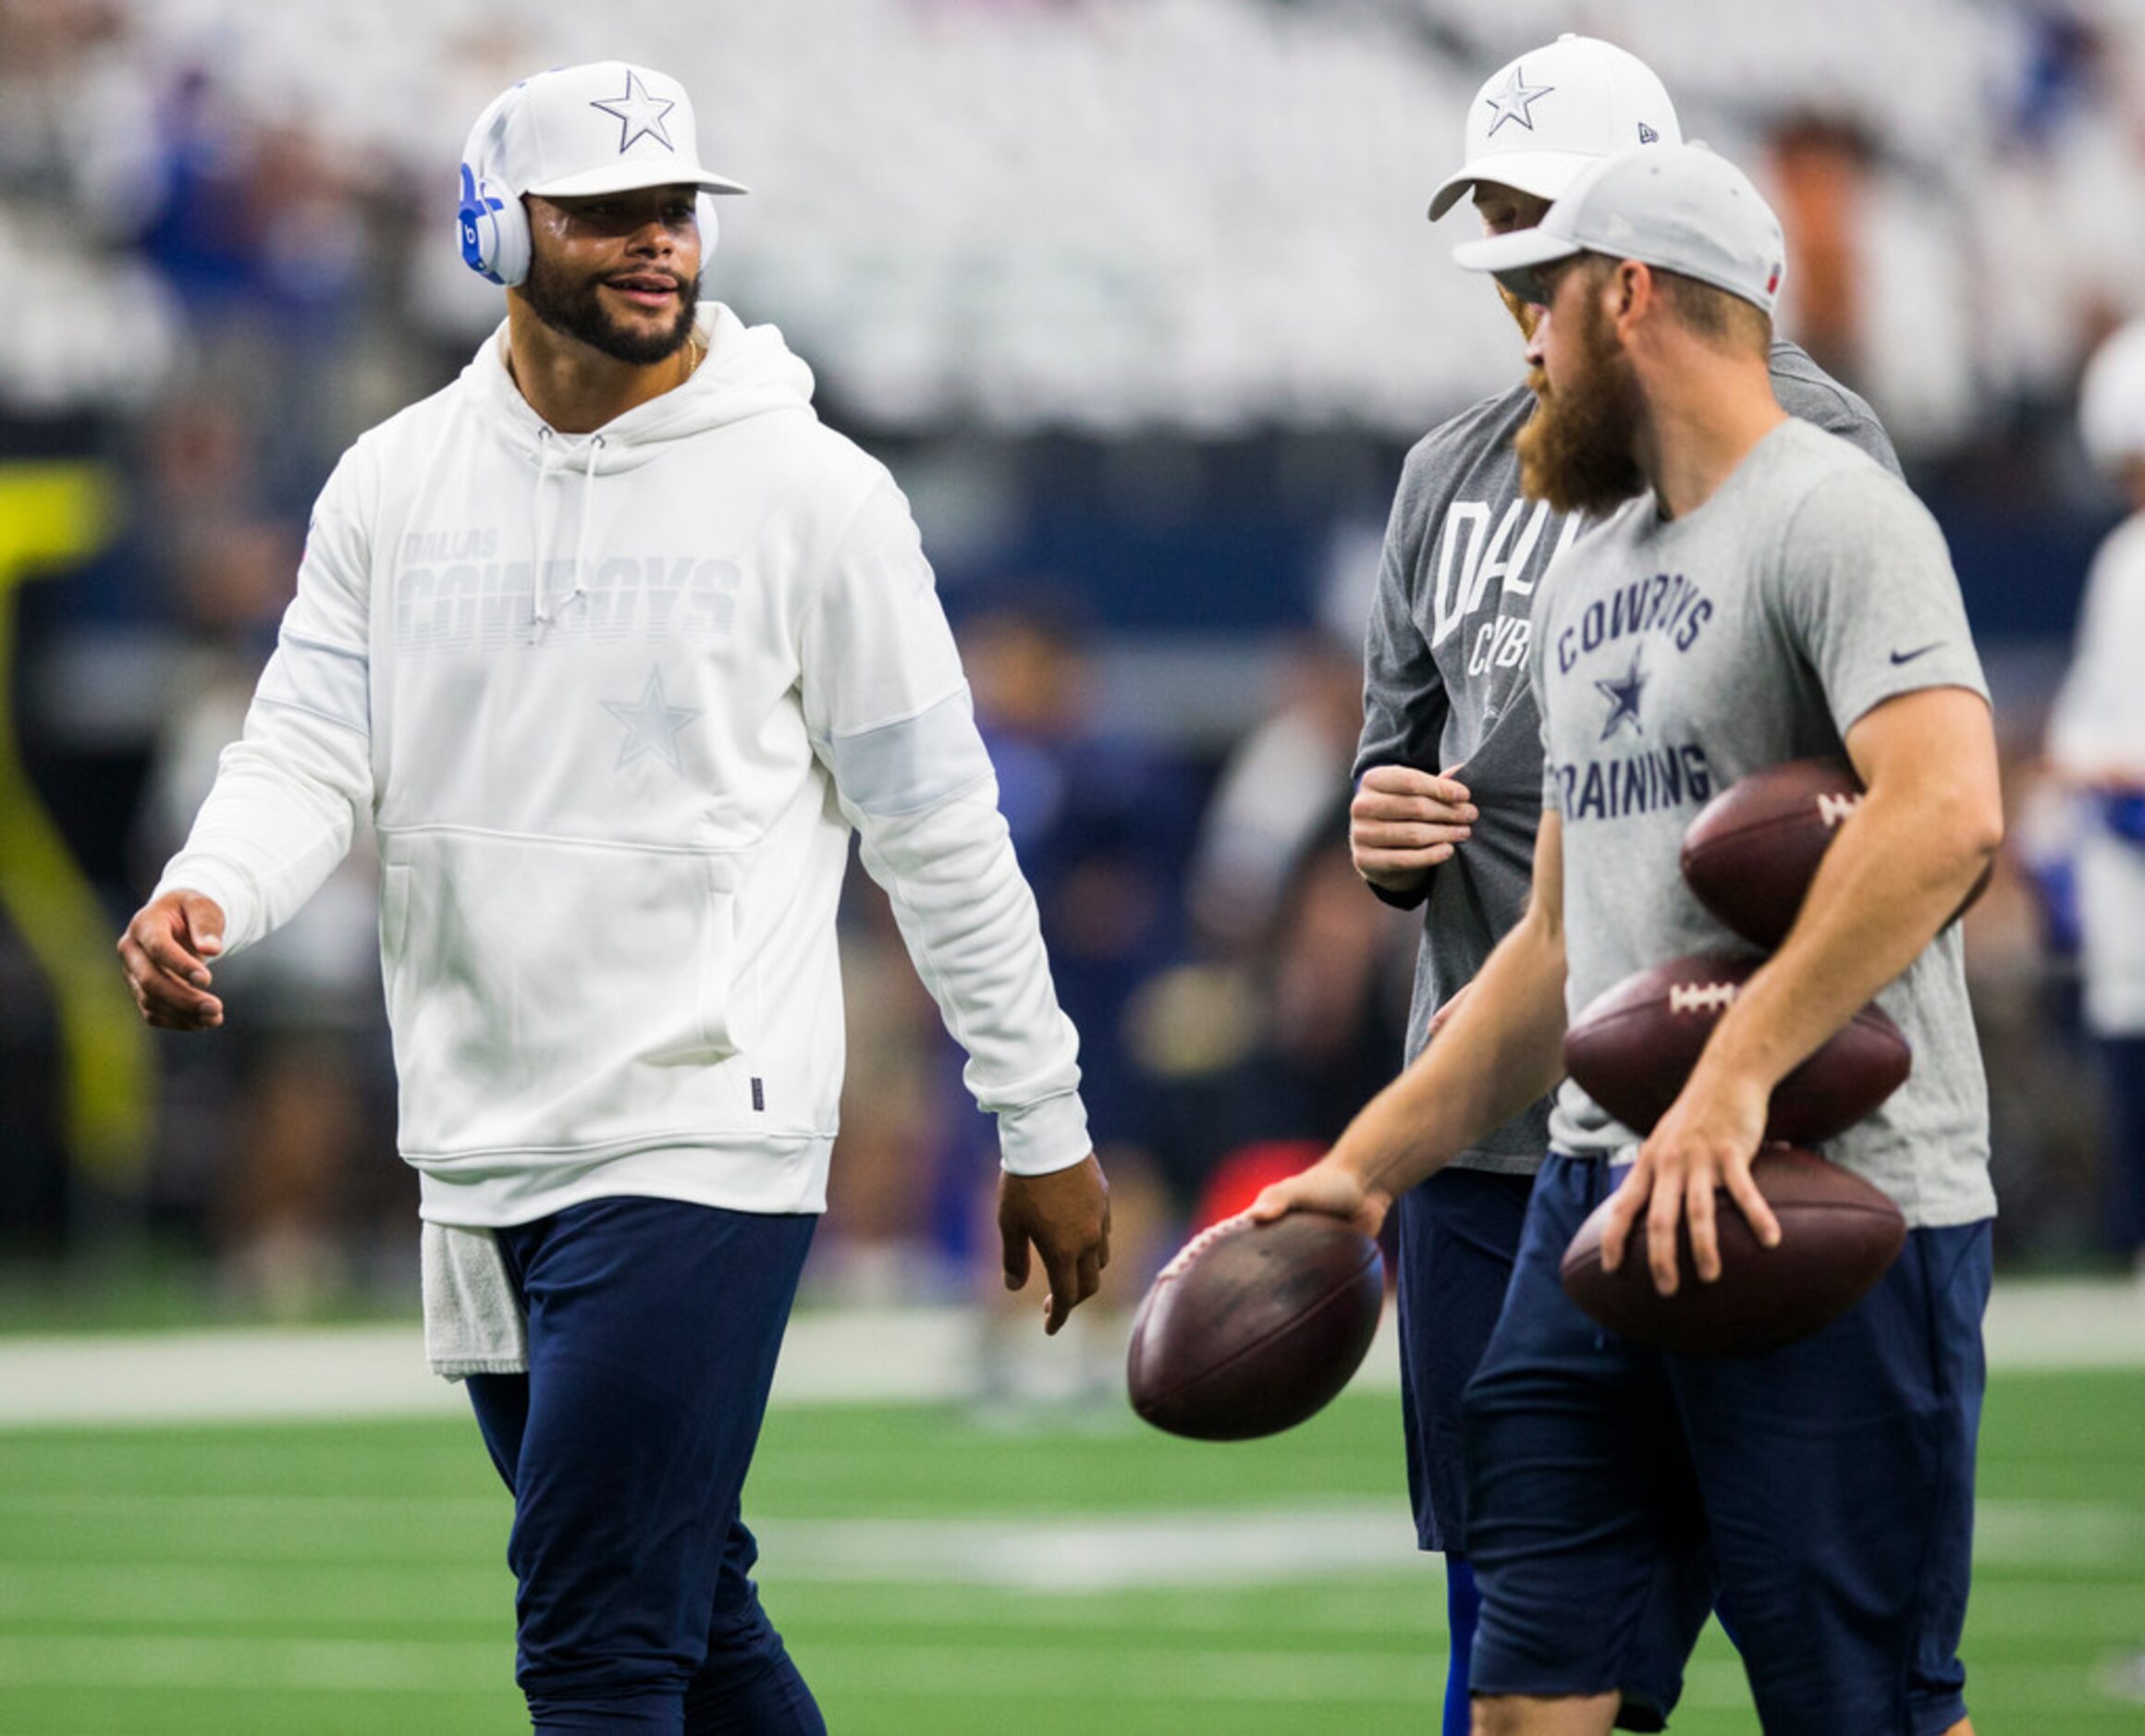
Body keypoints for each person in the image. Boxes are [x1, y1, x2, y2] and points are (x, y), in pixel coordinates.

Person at [116, 59, 1110, 1734]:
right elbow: (304, 747)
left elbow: (940, 830)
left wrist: (1043, 1115)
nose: (660, 244)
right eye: (612, 212)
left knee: (593, 1636)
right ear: (500, 226)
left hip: (701, 1125)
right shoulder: (390, 480)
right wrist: (210, 886)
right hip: (481, 1125)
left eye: (678, 212)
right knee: (682, 1606)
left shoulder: (818, 494)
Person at [1263, 141, 2000, 1734]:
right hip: (1594, 1204)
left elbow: (1947, 814)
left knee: (1859, 1704)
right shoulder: (1592, 555)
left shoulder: (1835, 514)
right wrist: (1364, 1164)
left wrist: (1733, 1073)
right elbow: (1553, 950)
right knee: (1532, 1694)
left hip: (1832, 1189)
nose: (1522, 341)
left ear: (1633, 295)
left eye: (1546, 302)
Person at [2047, 317, 2145, 1274]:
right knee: (2125, 1038)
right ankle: (2127, 1240)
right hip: (2127, 850)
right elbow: (2085, 718)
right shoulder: (2125, 562)